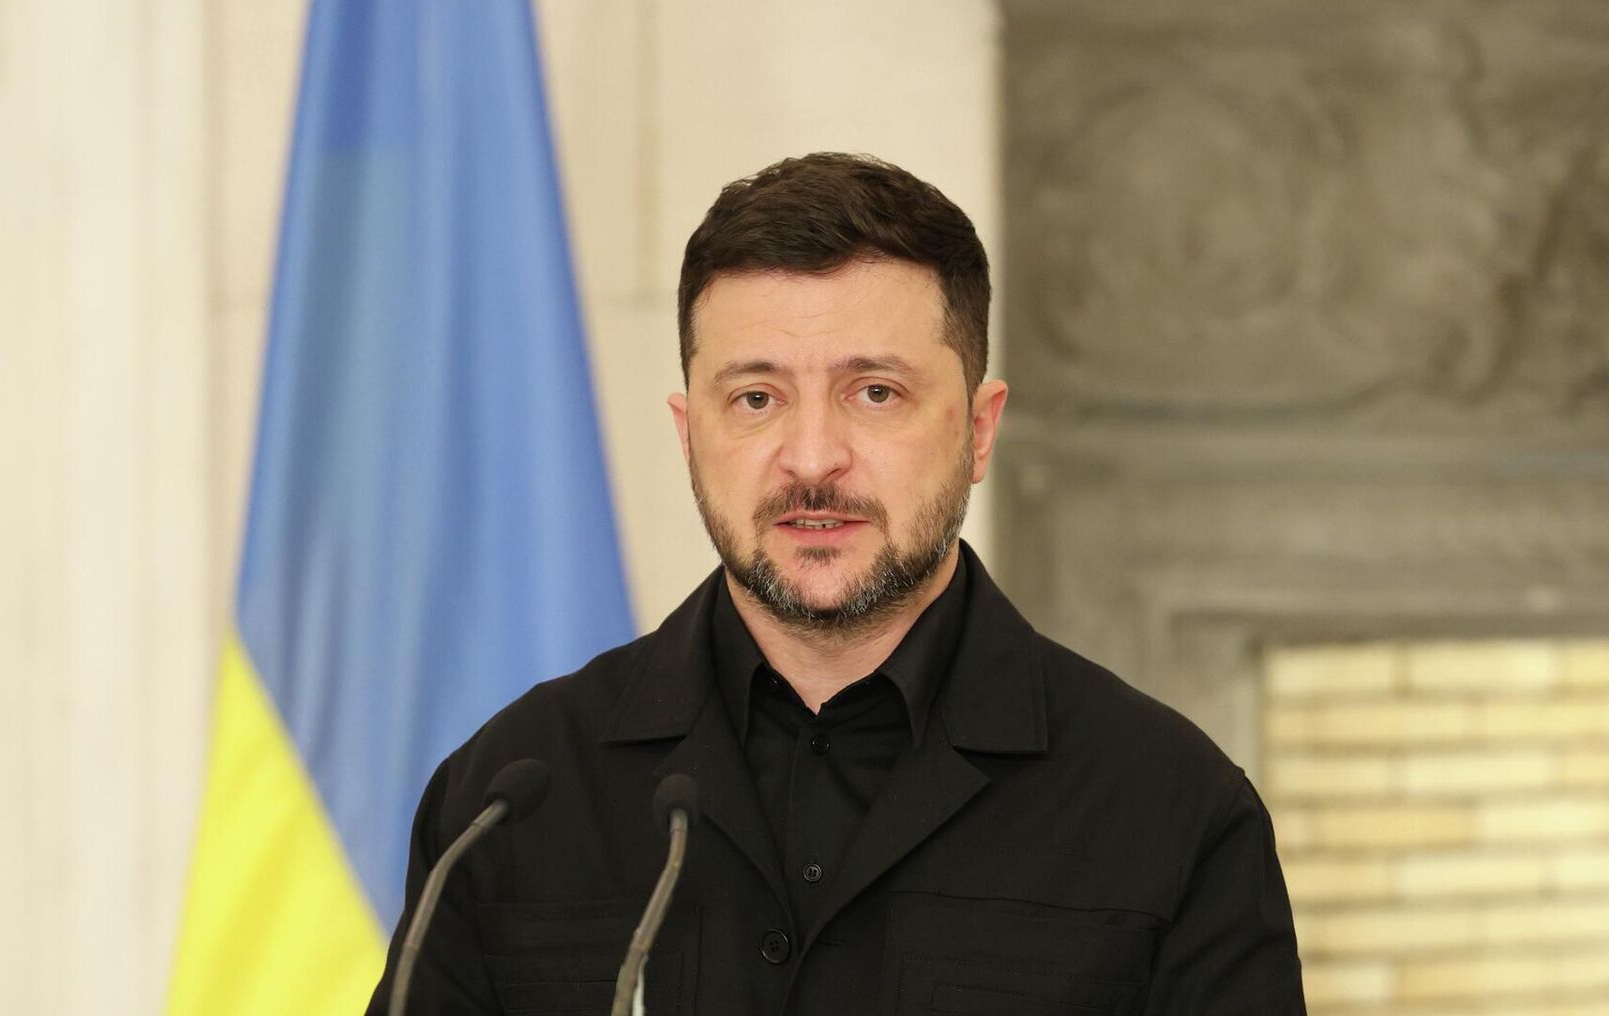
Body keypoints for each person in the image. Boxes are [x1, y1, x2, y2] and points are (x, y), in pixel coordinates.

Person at [365, 153, 1305, 1015]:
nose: (812, 458)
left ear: (979, 431)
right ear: (690, 435)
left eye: (875, 393)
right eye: (757, 398)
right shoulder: (507, 800)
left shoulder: (1172, 810)